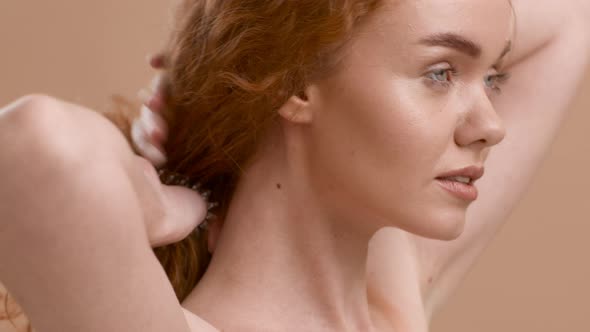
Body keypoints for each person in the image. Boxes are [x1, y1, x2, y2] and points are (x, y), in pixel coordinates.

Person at [0, 1, 588, 332]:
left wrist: (211, 49)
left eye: (493, 77)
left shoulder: (392, 294)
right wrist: (162, 204)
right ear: (296, 83)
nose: (492, 124)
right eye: (440, 73)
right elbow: (32, 145)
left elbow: (571, 16)